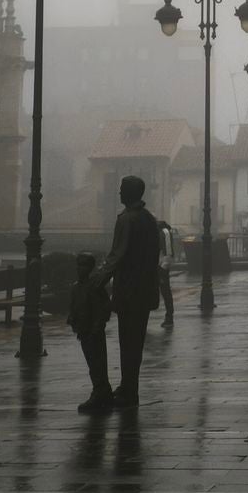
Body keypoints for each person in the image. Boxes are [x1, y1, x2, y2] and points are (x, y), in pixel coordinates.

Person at [91, 175, 161, 409]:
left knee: (127, 341)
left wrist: (97, 280)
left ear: (130, 193)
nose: (119, 192)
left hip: (129, 291)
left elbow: (116, 256)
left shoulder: (126, 220)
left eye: (122, 189)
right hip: (145, 290)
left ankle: (128, 390)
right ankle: (130, 386)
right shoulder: (149, 219)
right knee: (136, 343)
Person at [67, 252, 113, 414]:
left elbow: (105, 307)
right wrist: (72, 320)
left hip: (94, 331)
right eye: (79, 265)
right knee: (92, 363)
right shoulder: (76, 287)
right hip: (83, 330)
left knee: (97, 363)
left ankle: (100, 391)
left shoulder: (95, 286)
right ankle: (101, 390)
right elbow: (74, 307)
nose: (81, 269)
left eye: (85, 265)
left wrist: (98, 325)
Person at [157, 219, 175, 328]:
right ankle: (169, 317)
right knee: (165, 291)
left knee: (165, 291)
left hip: (161, 265)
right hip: (160, 264)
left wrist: (163, 266)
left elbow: (168, 252)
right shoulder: (163, 231)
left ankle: (169, 317)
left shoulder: (164, 232)